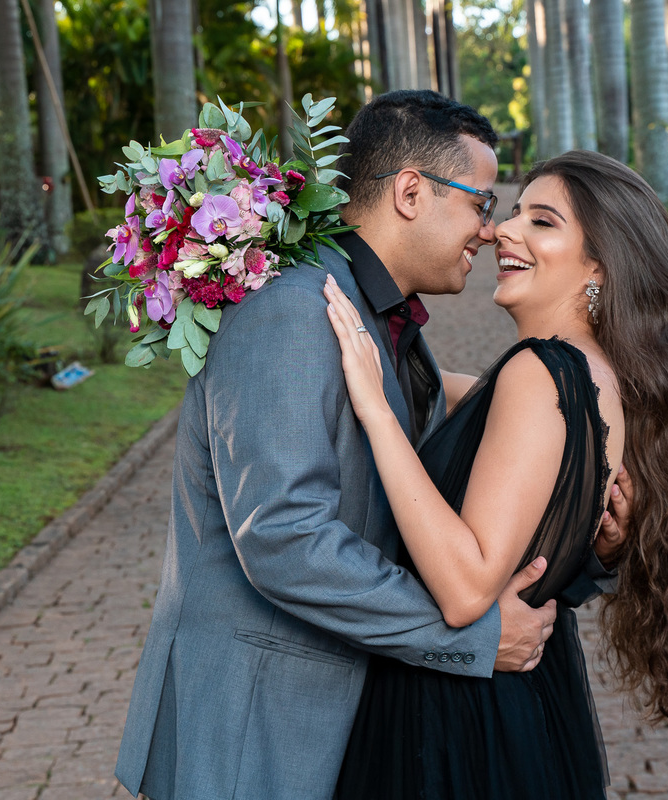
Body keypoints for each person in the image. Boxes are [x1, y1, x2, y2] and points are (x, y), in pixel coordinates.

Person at [114, 92, 630, 800]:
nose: (489, 231)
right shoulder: (294, 311)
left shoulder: (380, 321)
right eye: (483, 203)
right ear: (412, 193)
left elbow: (451, 500)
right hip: (259, 730)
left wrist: (585, 538)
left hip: (348, 724)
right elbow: (286, 538)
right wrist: (473, 635)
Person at [324, 149, 668, 799]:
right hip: (522, 706)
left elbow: (467, 589)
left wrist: (378, 417)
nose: (503, 231)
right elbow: (453, 400)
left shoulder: (542, 374)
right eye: (512, 213)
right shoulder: (589, 375)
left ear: (601, 267)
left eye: (542, 222)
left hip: (456, 725)